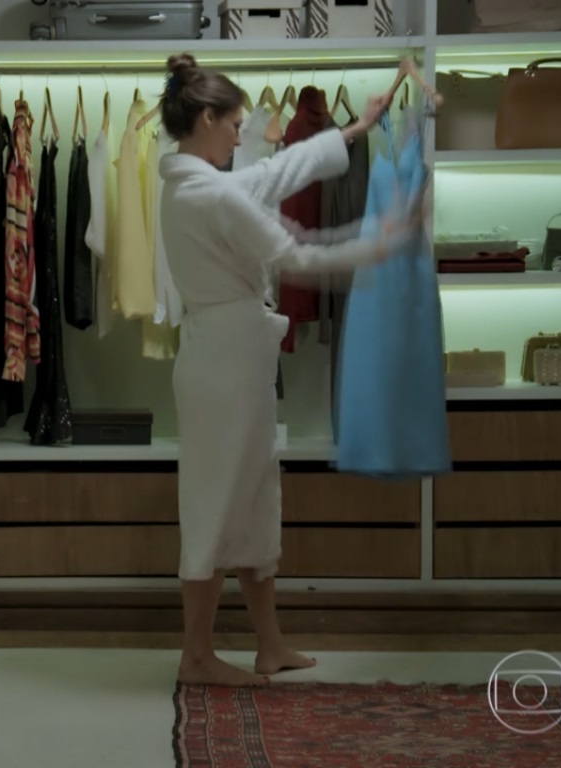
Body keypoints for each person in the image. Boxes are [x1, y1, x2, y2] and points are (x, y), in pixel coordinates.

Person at [157, 53, 418, 687]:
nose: (241, 136)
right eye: (235, 124)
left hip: (230, 358)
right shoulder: (210, 193)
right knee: (217, 504)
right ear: (208, 119)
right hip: (225, 364)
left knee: (252, 501)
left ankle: (269, 645)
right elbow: (294, 253)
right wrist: (381, 240)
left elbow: (273, 173)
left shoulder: (194, 184)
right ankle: (196, 657)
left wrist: (355, 130)